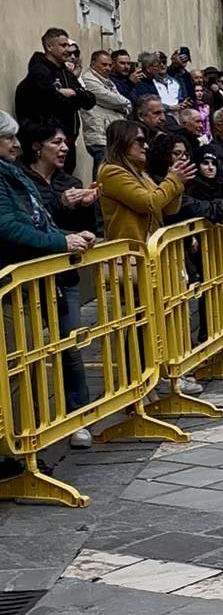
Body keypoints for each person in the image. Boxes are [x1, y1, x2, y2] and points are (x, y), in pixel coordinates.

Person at [18, 119, 101, 446]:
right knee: (29, 352)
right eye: (56, 142)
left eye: (65, 142)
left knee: (71, 346)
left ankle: (78, 416)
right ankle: (32, 421)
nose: (65, 148)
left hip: (64, 277)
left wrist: (85, 207)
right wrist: (61, 204)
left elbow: (82, 228)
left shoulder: (71, 180)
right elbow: (34, 223)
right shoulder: (20, 179)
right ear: (36, 146)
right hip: (28, 279)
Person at [13, 27, 96, 174]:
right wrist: (72, 97)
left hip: (68, 141)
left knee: (66, 180)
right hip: (45, 143)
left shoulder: (66, 73)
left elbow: (90, 100)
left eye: (68, 45)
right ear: (49, 47)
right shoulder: (39, 73)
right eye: (63, 45)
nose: (68, 50)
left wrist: (73, 92)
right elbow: (58, 103)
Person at [79, 49, 132, 175]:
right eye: (104, 65)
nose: (108, 68)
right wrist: (125, 103)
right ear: (93, 64)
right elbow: (108, 98)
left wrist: (122, 105)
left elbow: (121, 104)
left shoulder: (108, 82)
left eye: (109, 65)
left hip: (110, 134)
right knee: (101, 173)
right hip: (98, 134)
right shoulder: (88, 80)